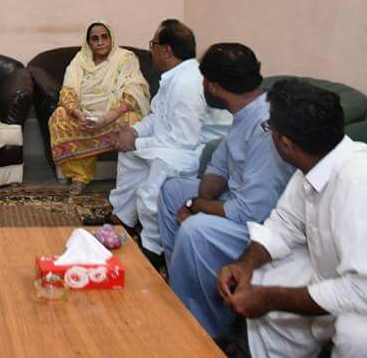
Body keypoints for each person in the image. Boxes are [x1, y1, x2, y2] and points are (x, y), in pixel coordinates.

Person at [217, 79, 367, 357]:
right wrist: (244, 265)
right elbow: (283, 225)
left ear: (285, 143)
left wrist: (270, 299)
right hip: (335, 272)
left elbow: (360, 290)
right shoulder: (315, 161)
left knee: (354, 334)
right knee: (261, 276)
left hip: (361, 295)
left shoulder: (357, 181)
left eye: (269, 127)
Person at [158, 43, 293, 341]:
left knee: (196, 229)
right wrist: (197, 198)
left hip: (265, 223)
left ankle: (205, 332)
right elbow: (216, 173)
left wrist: (196, 205)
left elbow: (249, 212)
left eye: (204, 81)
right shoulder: (245, 111)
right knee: (172, 189)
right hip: (235, 199)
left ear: (214, 86)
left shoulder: (265, 126)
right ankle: (180, 284)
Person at [101, 19, 231, 262]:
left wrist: (137, 143)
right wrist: (135, 133)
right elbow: (156, 116)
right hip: (178, 141)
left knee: (158, 171)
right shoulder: (173, 76)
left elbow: (183, 140)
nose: (151, 50)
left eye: (153, 44)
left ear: (167, 50)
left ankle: (154, 246)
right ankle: (124, 219)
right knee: (130, 155)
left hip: (201, 149)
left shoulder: (187, 82)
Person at [48, 21, 150, 195]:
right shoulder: (79, 61)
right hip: (84, 113)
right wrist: (78, 113)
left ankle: (130, 180)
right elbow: (67, 92)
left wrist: (106, 118)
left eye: (104, 37)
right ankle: (80, 176)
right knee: (59, 116)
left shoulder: (125, 58)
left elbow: (133, 94)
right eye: (95, 39)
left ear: (111, 38)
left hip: (114, 113)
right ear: (89, 43)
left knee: (132, 120)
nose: (100, 42)